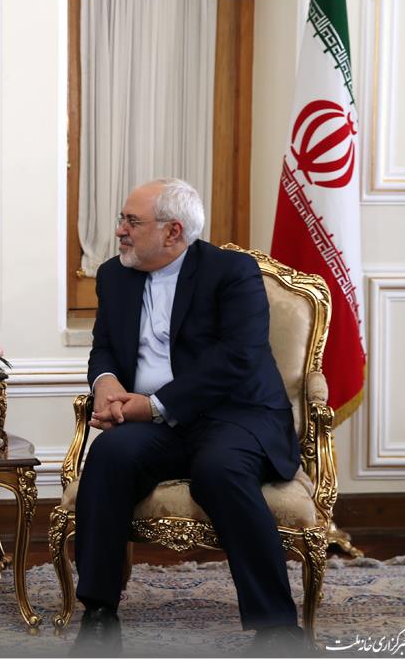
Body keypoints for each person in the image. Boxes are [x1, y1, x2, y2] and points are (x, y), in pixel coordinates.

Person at [72, 179, 304, 656]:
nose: (119, 231)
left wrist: (154, 405)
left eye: (131, 221)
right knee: (109, 456)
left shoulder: (231, 273)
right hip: (158, 424)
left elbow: (237, 360)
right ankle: (98, 615)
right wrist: (106, 384)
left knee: (219, 469)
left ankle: (278, 629)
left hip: (236, 415)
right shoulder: (114, 275)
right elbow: (105, 347)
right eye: (122, 219)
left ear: (173, 231)